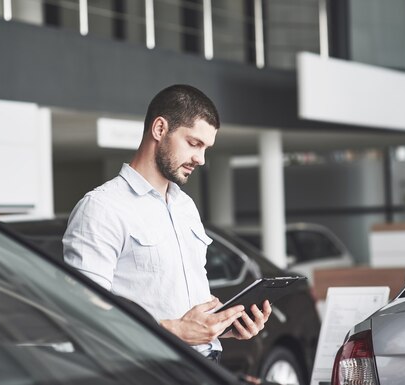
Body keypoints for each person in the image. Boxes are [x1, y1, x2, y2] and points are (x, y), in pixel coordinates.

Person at [63, 84, 271, 362]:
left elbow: (176, 302)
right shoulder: (101, 208)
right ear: (160, 129)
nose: (201, 158)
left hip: (206, 365)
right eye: (194, 143)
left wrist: (220, 327)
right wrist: (177, 331)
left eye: (206, 148)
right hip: (149, 371)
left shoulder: (185, 207)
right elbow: (84, 318)